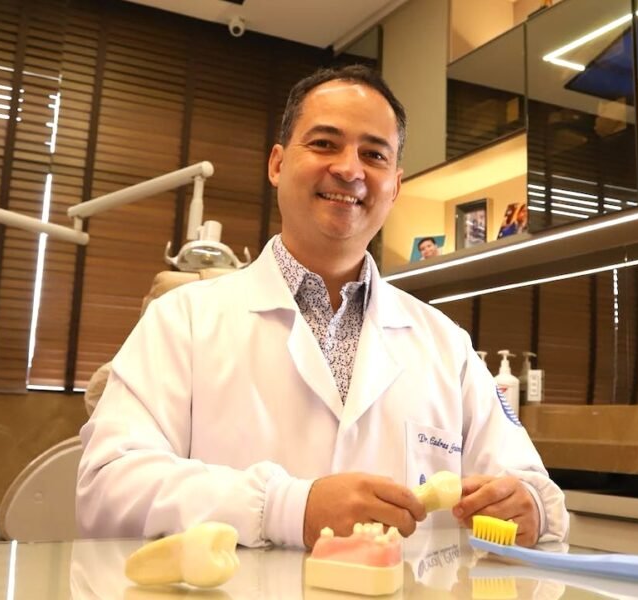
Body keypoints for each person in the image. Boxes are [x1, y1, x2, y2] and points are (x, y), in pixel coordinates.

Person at [76, 65, 567, 550]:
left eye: (373, 154)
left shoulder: (446, 344)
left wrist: (531, 507)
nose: (350, 169)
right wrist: (288, 508)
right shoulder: (181, 320)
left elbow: (530, 484)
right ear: (276, 164)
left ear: (395, 186)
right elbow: (107, 488)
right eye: (325, 143)